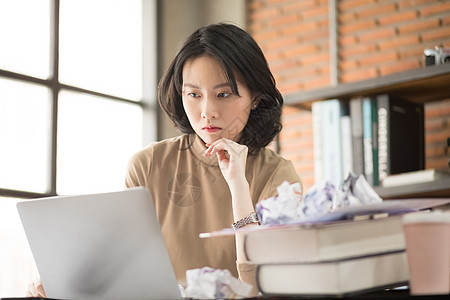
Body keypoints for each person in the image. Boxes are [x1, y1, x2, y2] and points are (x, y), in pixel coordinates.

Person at [26, 22, 301, 297]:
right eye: (193, 94)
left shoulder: (279, 177)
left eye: (224, 94)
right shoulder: (148, 164)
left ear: (254, 98)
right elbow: (121, 267)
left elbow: (256, 289)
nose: (207, 111)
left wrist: (239, 185)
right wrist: (59, 279)